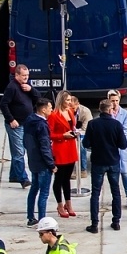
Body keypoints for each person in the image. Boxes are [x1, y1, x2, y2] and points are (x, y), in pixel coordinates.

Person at [84, 98, 127, 234]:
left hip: (98, 161)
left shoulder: (92, 124)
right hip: (113, 161)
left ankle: (94, 223)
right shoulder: (116, 125)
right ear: (110, 110)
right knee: (115, 192)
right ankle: (116, 221)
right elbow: (123, 145)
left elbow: (85, 143)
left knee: (95, 193)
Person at [1, 65, 35, 188]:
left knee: (18, 150)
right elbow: (3, 104)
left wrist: (31, 89)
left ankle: (14, 175)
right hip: (16, 125)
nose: (26, 78)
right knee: (19, 152)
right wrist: (11, 119)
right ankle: (23, 178)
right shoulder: (12, 88)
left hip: (26, 123)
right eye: (23, 76)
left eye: (27, 75)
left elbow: (37, 98)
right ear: (17, 75)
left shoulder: (26, 86)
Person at [49, 92, 80, 220]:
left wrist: (74, 132)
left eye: (70, 100)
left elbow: (72, 126)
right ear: (61, 100)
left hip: (71, 148)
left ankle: (69, 203)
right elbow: (49, 134)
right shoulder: (53, 115)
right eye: (67, 100)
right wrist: (62, 136)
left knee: (67, 178)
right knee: (59, 178)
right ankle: (60, 205)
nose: (69, 102)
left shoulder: (71, 111)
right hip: (60, 149)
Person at [25, 98, 55, 227]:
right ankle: (42, 220)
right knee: (43, 193)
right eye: (50, 108)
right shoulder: (42, 125)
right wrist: (51, 164)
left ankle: (31, 216)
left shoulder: (29, 120)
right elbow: (44, 147)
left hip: (33, 161)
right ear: (43, 109)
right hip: (43, 163)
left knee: (34, 189)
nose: (51, 110)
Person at [110, 91, 127, 210]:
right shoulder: (107, 113)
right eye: (112, 101)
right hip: (110, 149)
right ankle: (116, 197)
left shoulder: (124, 113)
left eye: (116, 100)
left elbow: (125, 131)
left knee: (124, 173)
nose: (114, 103)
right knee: (113, 174)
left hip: (121, 147)